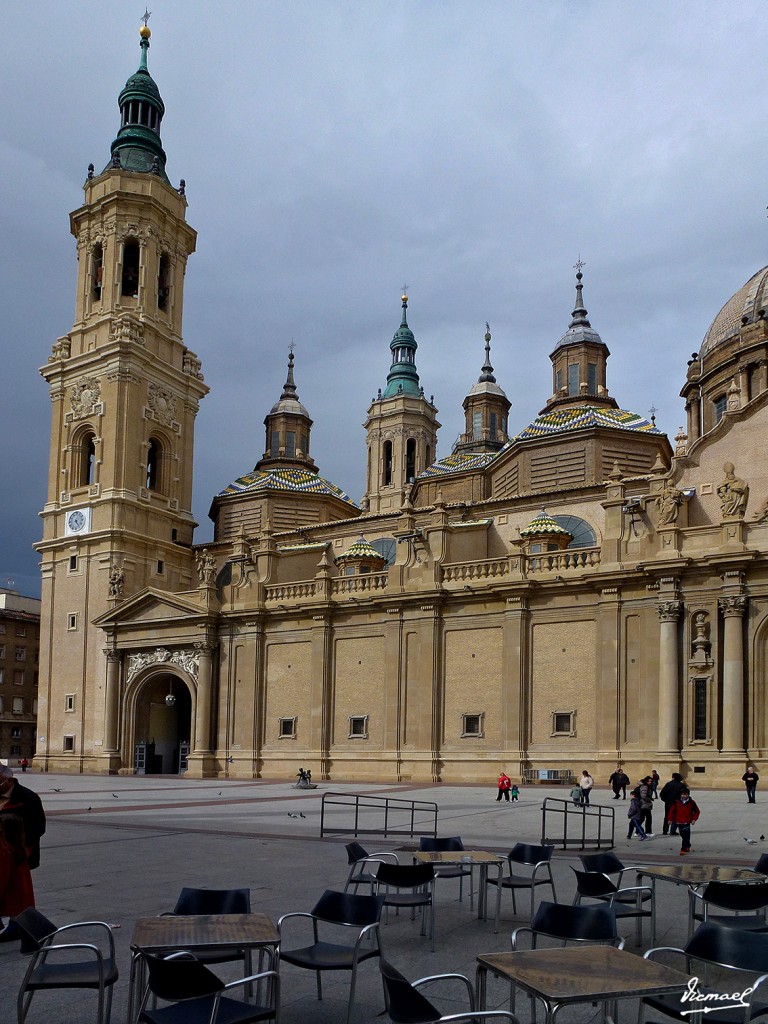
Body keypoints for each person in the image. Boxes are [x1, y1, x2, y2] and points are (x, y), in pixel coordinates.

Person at [0, 764, 45, 941]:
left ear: (8, 779)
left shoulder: (28, 797)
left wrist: (24, 849)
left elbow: (38, 827)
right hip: (2, 852)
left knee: (17, 890)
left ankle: (17, 925)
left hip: (18, 853)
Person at [0, 815, 34, 920]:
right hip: (21, 899)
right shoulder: (20, 849)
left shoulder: (6, 852)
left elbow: (2, 878)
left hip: (11, 899)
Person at [670, 785, 700, 855]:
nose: (683, 796)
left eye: (685, 794)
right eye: (682, 794)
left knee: (686, 836)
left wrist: (694, 819)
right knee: (683, 835)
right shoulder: (676, 802)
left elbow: (697, 811)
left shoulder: (691, 802)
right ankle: (688, 845)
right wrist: (670, 819)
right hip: (679, 821)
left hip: (687, 821)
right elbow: (672, 811)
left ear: (688, 795)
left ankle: (683, 849)